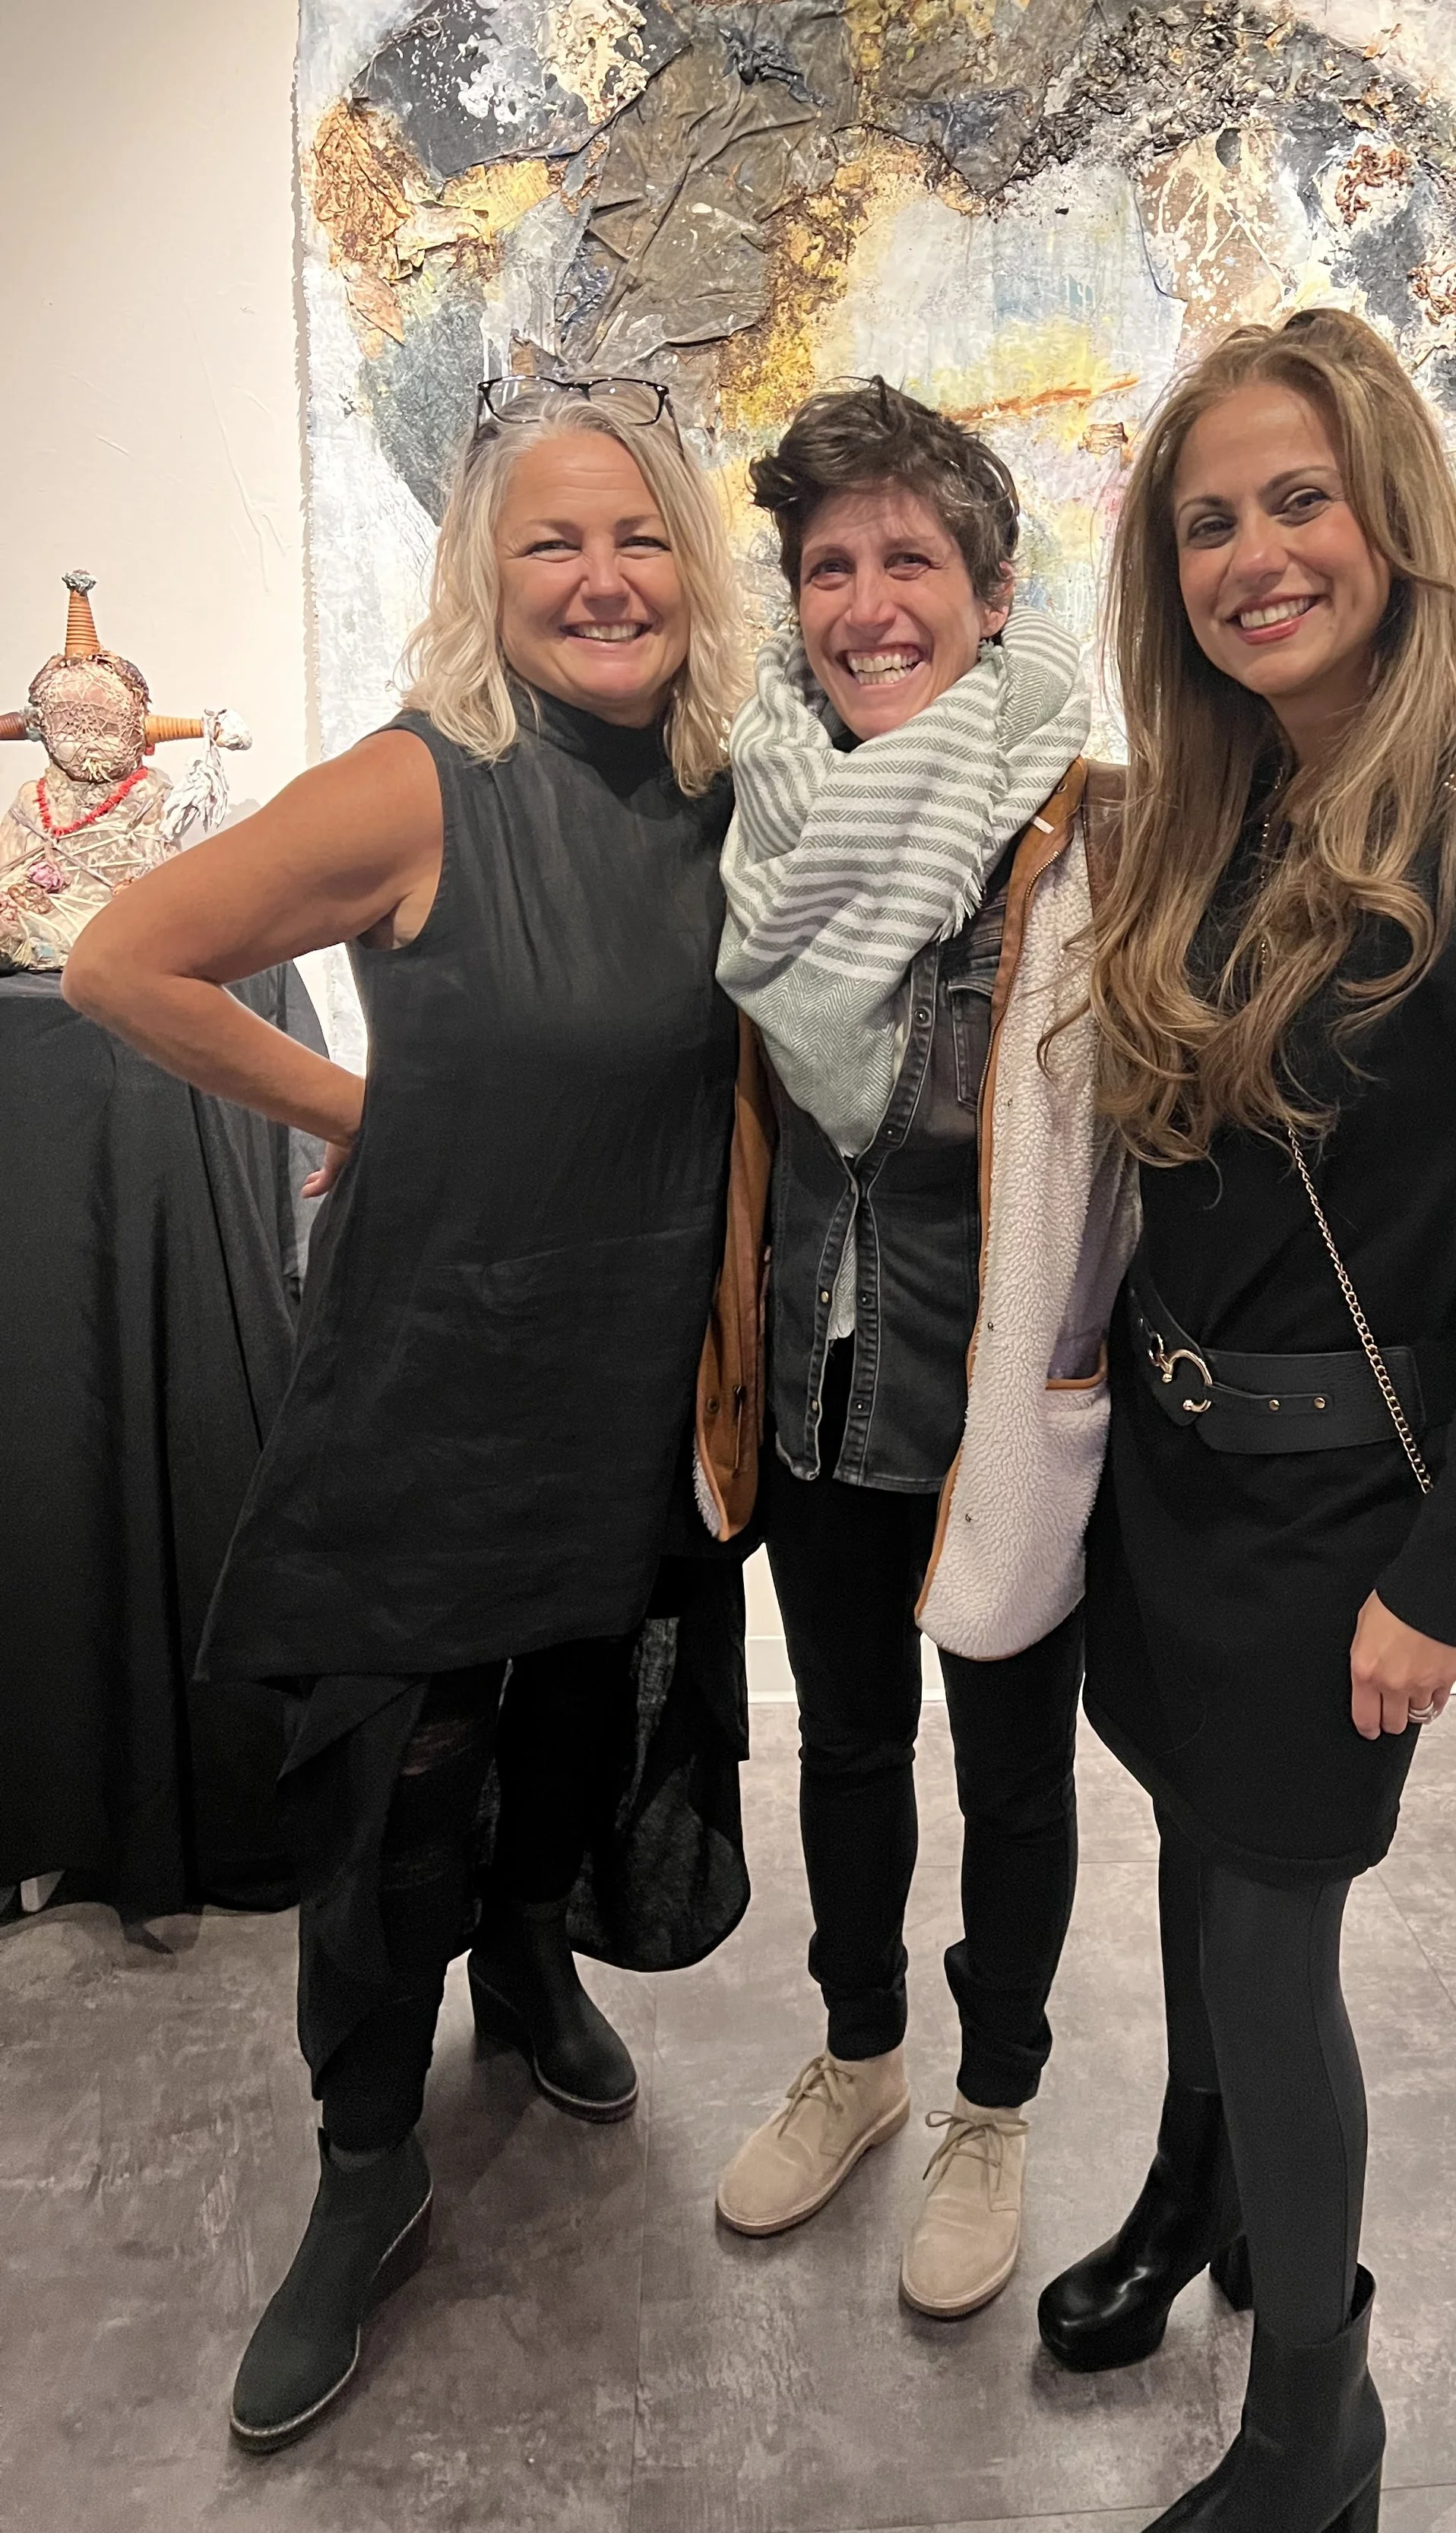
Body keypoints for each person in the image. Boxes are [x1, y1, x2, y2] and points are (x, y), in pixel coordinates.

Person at [63, 377, 764, 2452]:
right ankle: (368, 2162)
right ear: (486, 574)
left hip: (634, 1372)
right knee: (389, 1781)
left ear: (688, 569)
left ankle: (532, 1963)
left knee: (577, 1711)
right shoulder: (418, 785)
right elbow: (126, 960)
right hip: (434, 1387)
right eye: (550, 542)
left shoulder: (733, 787)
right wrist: (362, 1108)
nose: (599, 576)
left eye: (635, 537)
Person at [1036, 309, 1456, 2532]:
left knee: (1270, 1945)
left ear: (1386, 507)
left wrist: (1444, 1567)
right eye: (1205, 519)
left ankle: (1317, 2422)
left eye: (1294, 498)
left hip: (1347, 1527)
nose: (1250, 553)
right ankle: (1195, 2203)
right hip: (1174, 1499)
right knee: (1203, 1884)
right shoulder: (1199, 812)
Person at [714, 381, 1134, 2319]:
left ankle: (993, 2102)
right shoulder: (757, 819)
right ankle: (865, 2058)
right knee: (850, 1754)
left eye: (909, 562)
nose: (868, 603)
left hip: (1002, 1413)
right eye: (829, 566)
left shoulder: (1084, 817)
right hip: (815, 1382)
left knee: (1014, 1776)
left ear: (990, 590)